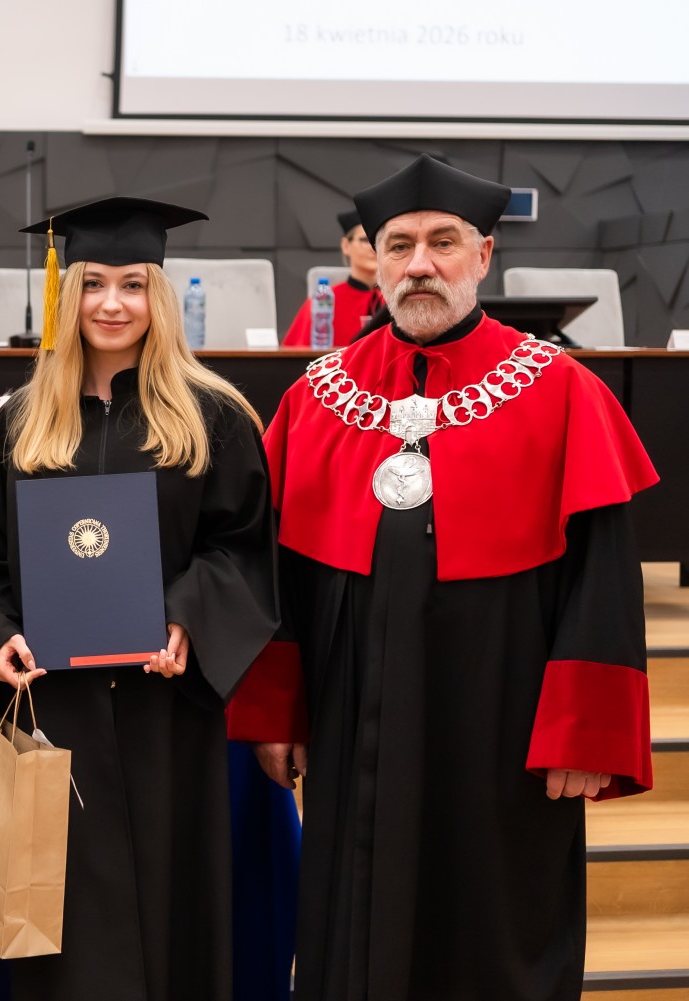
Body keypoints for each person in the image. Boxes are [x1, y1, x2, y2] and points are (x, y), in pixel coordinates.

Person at [230, 154, 658, 1001]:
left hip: (504, 713)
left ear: (484, 255)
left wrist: (584, 731)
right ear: (376, 261)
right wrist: (277, 709)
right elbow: (273, 568)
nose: (419, 263)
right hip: (353, 709)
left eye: (442, 243)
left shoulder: (562, 391)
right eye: (399, 245)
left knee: (494, 911)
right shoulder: (316, 396)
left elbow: (605, 576)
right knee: (354, 909)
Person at [0, 197, 280, 1001]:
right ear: (66, 294)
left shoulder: (213, 418)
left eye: (133, 284)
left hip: (164, 712)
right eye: (94, 284)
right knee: (63, 927)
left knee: (174, 914)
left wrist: (187, 617)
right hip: (56, 714)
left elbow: (242, 547)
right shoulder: (22, 421)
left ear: (158, 296)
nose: (112, 303)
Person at [283, 208, 383, 348]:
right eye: (366, 240)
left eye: (379, 241)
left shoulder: (397, 299)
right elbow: (296, 353)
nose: (374, 247)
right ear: (346, 246)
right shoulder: (325, 301)